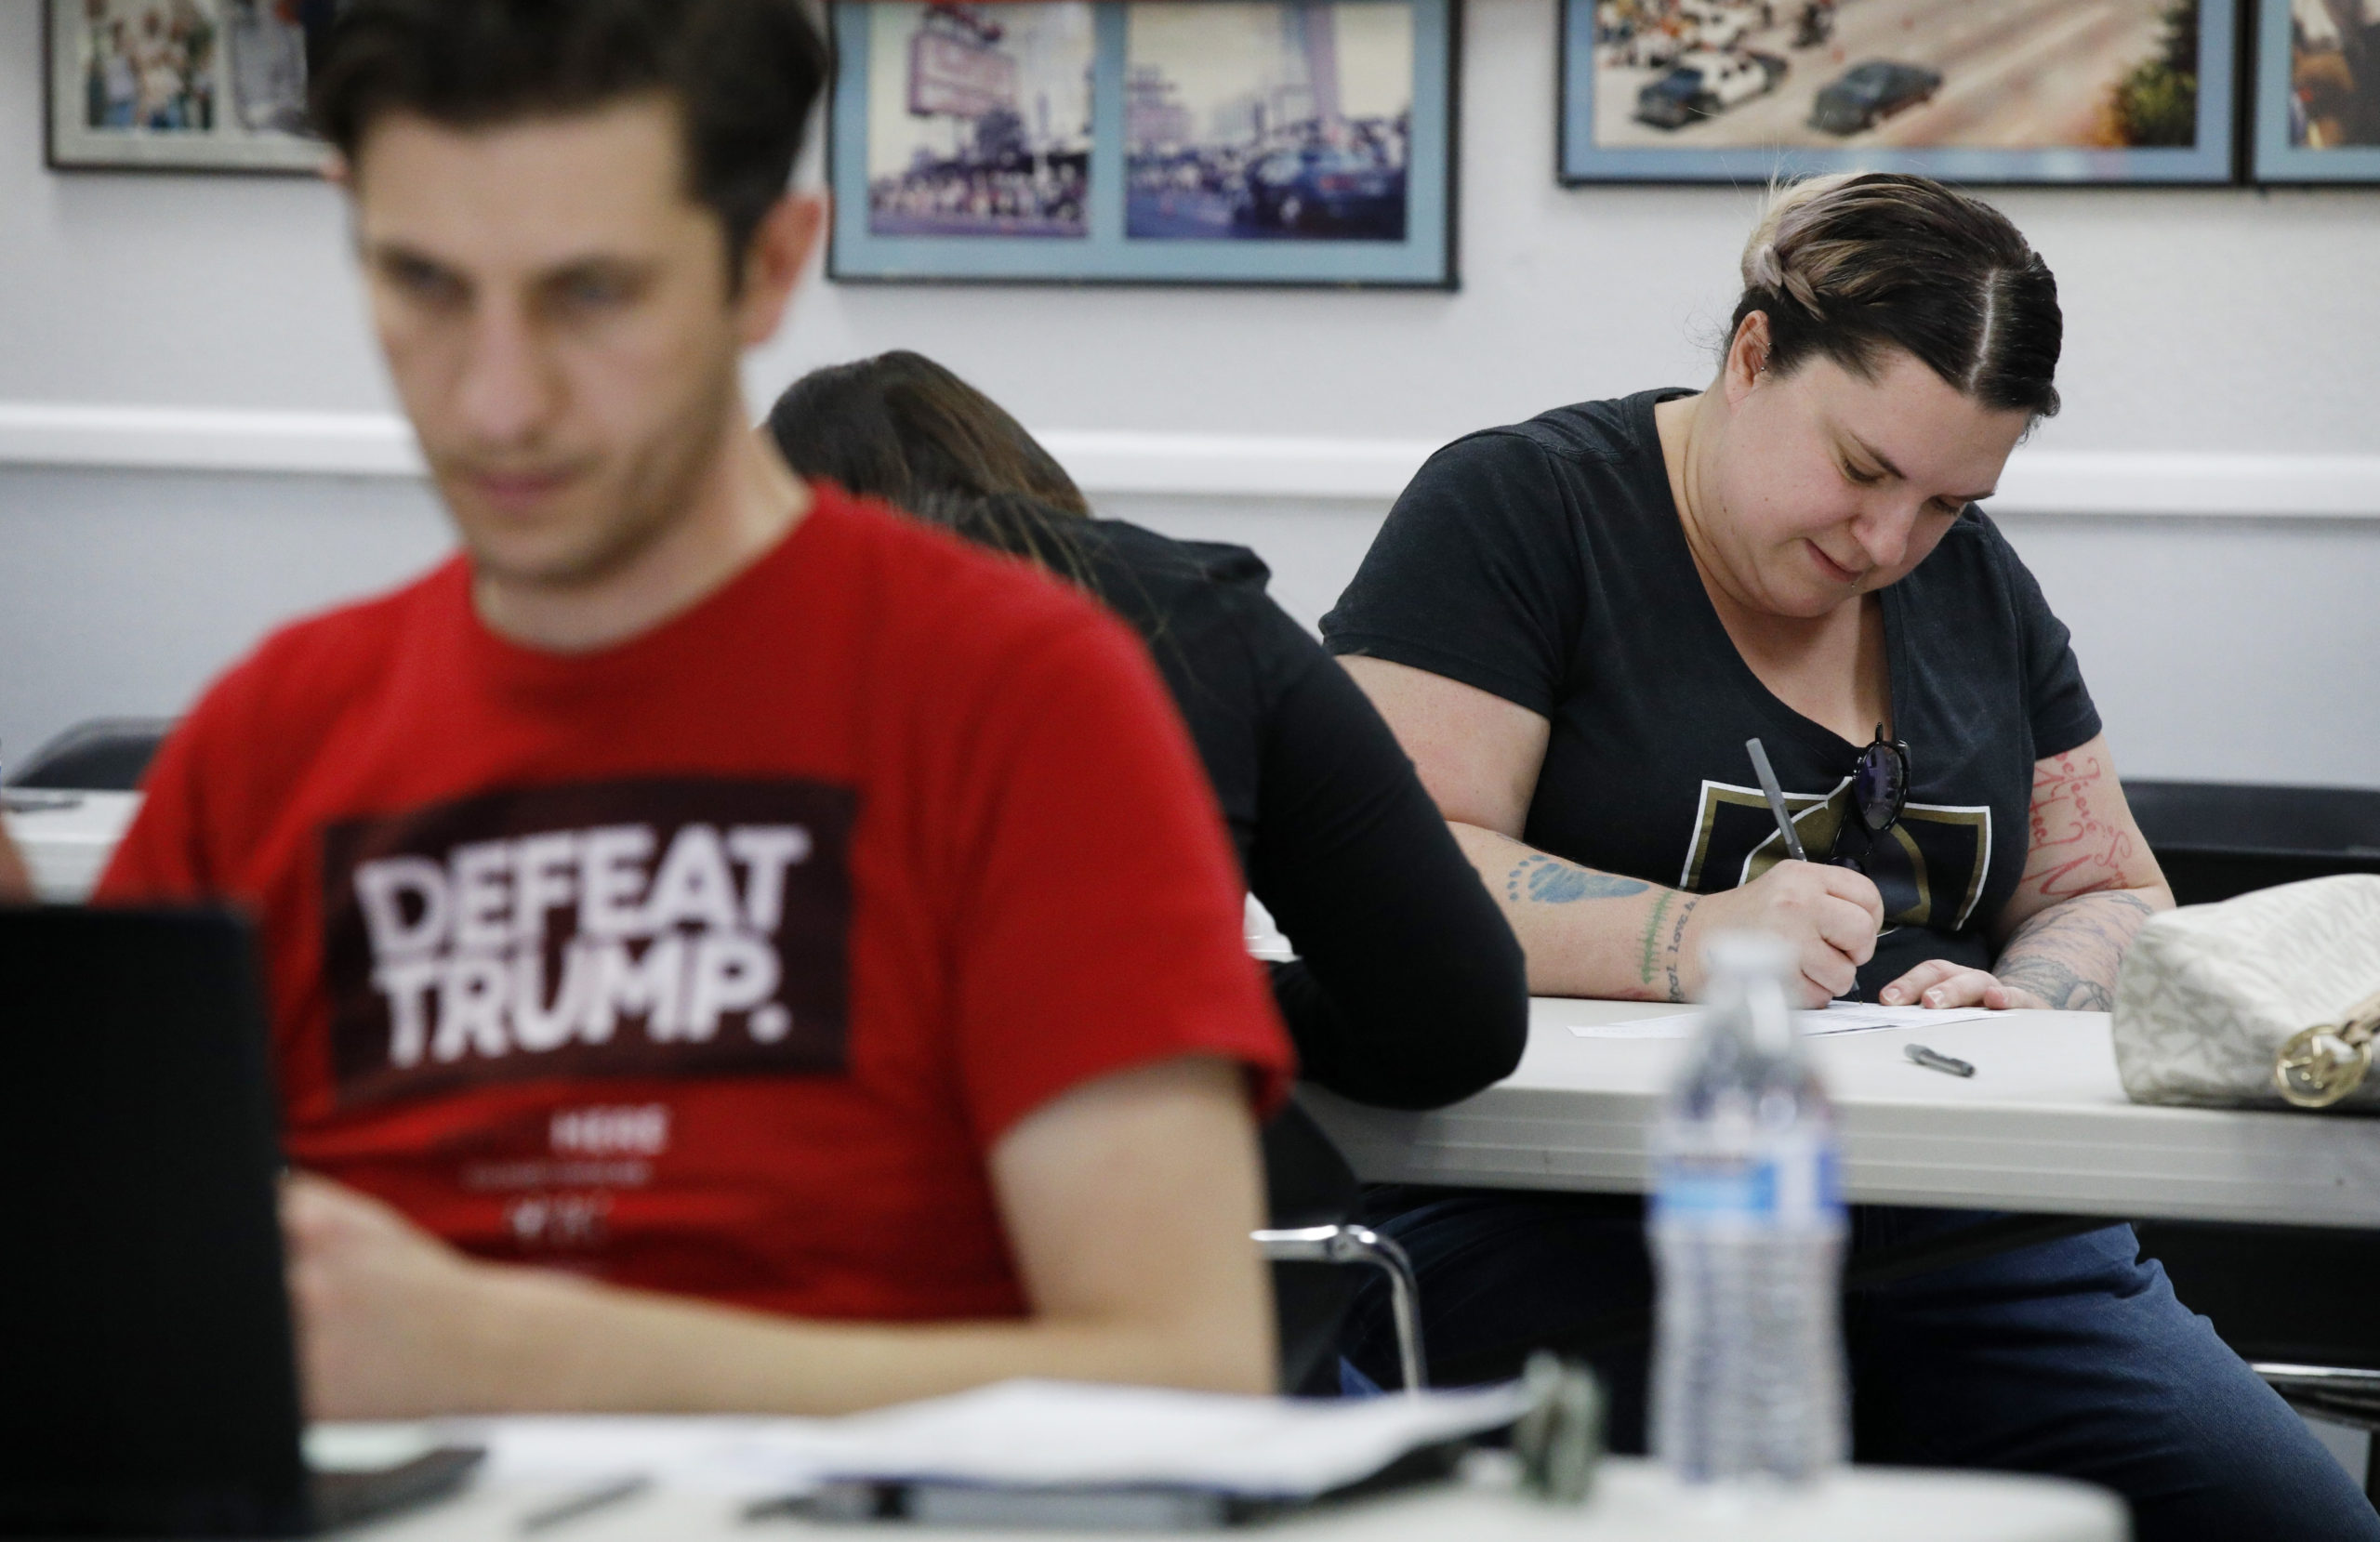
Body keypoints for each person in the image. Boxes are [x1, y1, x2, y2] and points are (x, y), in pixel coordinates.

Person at [96, 0, 1291, 1419]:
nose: (496, 400)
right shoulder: (271, 737)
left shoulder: (1021, 702)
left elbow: (1182, 1371)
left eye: (591, 294)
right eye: (421, 284)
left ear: (768, 266)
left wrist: (514, 1356)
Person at [1323, 172, 2377, 1537]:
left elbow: (2108, 885)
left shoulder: (1968, 575)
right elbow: (1388, 873)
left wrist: (2032, 994)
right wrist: (1687, 939)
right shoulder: (1523, 513)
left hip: (1975, 1232)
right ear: (1751, 356)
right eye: (1865, 468)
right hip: (1577, 1224)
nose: (1889, 542)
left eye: (1948, 499)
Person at [764, 352, 1528, 1114]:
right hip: (1140, 1180)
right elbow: (1453, 1013)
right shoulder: (1188, 614)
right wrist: (1188, 998)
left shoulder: (745, 634)